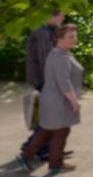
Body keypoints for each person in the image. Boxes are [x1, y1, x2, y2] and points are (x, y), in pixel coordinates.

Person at [18, 24, 82, 175]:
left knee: (50, 131)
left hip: (56, 100)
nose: (74, 39)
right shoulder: (59, 57)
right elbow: (64, 82)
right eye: (70, 37)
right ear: (59, 39)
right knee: (58, 132)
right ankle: (52, 164)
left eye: (75, 36)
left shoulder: (61, 53)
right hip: (57, 101)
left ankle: (51, 162)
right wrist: (74, 101)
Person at [18, 11, 62, 165]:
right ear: (48, 16)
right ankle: (35, 149)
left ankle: (39, 148)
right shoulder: (43, 34)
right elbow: (46, 60)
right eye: (59, 15)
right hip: (45, 80)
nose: (62, 18)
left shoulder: (48, 31)